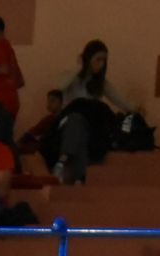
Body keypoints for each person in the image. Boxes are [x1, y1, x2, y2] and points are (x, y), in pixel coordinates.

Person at [50, 40, 136, 184]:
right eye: (97, 59)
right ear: (88, 58)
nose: (101, 64)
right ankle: (74, 173)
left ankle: (66, 166)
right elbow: (58, 87)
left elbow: (122, 103)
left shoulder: (101, 83)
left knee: (83, 129)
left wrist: (136, 109)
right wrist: (80, 67)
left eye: (104, 61)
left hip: (89, 126)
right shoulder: (73, 78)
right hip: (68, 121)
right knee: (76, 120)